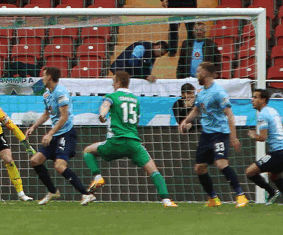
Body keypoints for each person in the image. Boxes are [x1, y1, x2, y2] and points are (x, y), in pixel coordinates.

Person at [83, 71, 178, 207]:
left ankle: (98, 177)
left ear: (117, 82)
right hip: (133, 143)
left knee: (88, 151)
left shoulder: (112, 96)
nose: (111, 83)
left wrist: (102, 115)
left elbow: (105, 105)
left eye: (113, 81)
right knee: (153, 170)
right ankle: (167, 200)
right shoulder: (135, 100)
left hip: (116, 141)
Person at [178, 62, 248, 208]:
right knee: (199, 168)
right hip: (206, 134)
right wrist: (185, 121)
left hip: (220, 133)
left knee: (221, 163)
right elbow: (197, 109)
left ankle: (241, 196)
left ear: (205, 73)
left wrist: (233, 137)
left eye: (198, 72)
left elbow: (229, 114)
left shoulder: (219, 92)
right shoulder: (201, 93)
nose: (196, 74)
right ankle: (213, 198)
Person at [26, 67, 95, 206]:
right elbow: (47, 114)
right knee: (35, 160)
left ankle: (87, 194)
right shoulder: (46, 94)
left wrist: (50, 134)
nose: (42, 78)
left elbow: (64, 117)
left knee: (59, 166)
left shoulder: (61, 92)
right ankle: (52, 191)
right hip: (55, 134)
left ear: (50, 77)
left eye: (44, 75)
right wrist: (33, 127)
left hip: (66, 134)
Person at [246, 89, 283, 204]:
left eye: (256, 97)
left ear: (263, 100)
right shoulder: (272, 110)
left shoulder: (263, 114)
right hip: (280, 149)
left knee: (250, 172)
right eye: (253, 97)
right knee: (273, 176)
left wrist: (253, 135)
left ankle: (271, 192)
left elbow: (263, 138)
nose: (252, 100)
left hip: (278, 152)